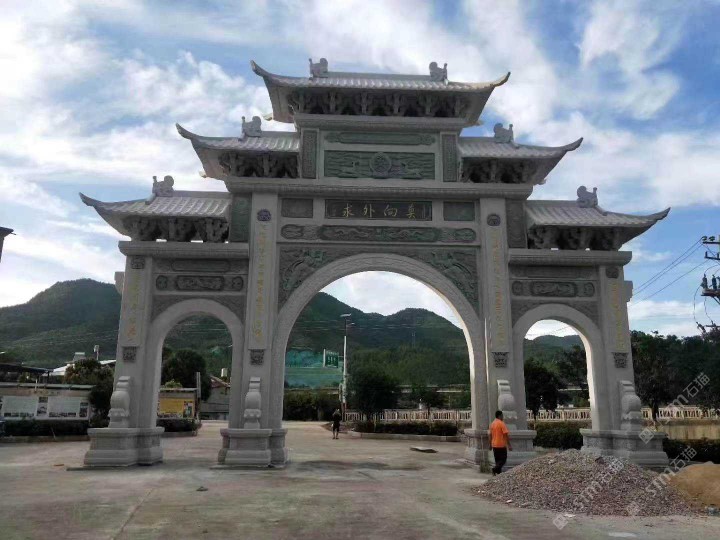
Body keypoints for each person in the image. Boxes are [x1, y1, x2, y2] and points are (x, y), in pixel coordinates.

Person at [489, 410, 512, 475]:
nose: (503, 417)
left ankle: (498, 473)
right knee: (503, 459)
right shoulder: (501, 423)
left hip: (494, 445)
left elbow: (490, 435)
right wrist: (509, 445)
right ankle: (494, 469)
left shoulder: (492, 424)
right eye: (502, 416)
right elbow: (505, 435)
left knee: (497, 460)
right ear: (499, 416)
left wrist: (490, 444)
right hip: (501, 445)